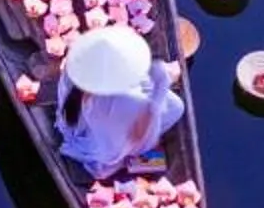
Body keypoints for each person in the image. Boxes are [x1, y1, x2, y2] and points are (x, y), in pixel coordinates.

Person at [56, 26, 185, 177]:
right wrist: (163, 80)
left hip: (84, 125)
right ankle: (124, 164)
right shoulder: (119, 102)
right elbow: (140, 133)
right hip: (102, 148)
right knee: (176, 107)